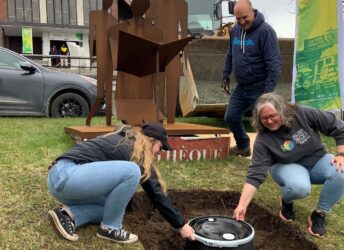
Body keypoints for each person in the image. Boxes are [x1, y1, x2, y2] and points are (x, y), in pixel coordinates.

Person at [47, 123, 195, 244]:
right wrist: (181, 225)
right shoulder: (133, 148)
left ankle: (68, 215)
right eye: (161, 148)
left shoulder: (123, 141)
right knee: (132, 171)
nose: (159, 152)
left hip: (63, 183)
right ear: (150, 140)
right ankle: (110, 229)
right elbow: (155, 191)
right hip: (68, 177)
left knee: (115, 208)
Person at [233, 93, 344, 237]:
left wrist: (341, 155)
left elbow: (338, 126)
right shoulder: (263, 140)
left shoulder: (302, 113)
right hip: (285, 166)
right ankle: (287, 200)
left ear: (282, 110)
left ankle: (319, 214)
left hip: (317, 159)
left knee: (342, 172)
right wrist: (242, 205)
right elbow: (255, 174)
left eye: (273, 116)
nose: (269, 121)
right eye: (264, 118)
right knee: (300, 187)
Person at [222, 0, 281, 157]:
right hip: (242, 86)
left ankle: (274, 155)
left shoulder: (266, 32)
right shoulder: (235, 31)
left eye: (245, 17)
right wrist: (225, 75)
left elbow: (274, 64)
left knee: (265, 123)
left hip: (260, 86)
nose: (241, 22)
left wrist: (267, 92)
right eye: (238, 18)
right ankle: (243, 145)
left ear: (253, 12)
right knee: (231, 117)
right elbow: (230, 53)